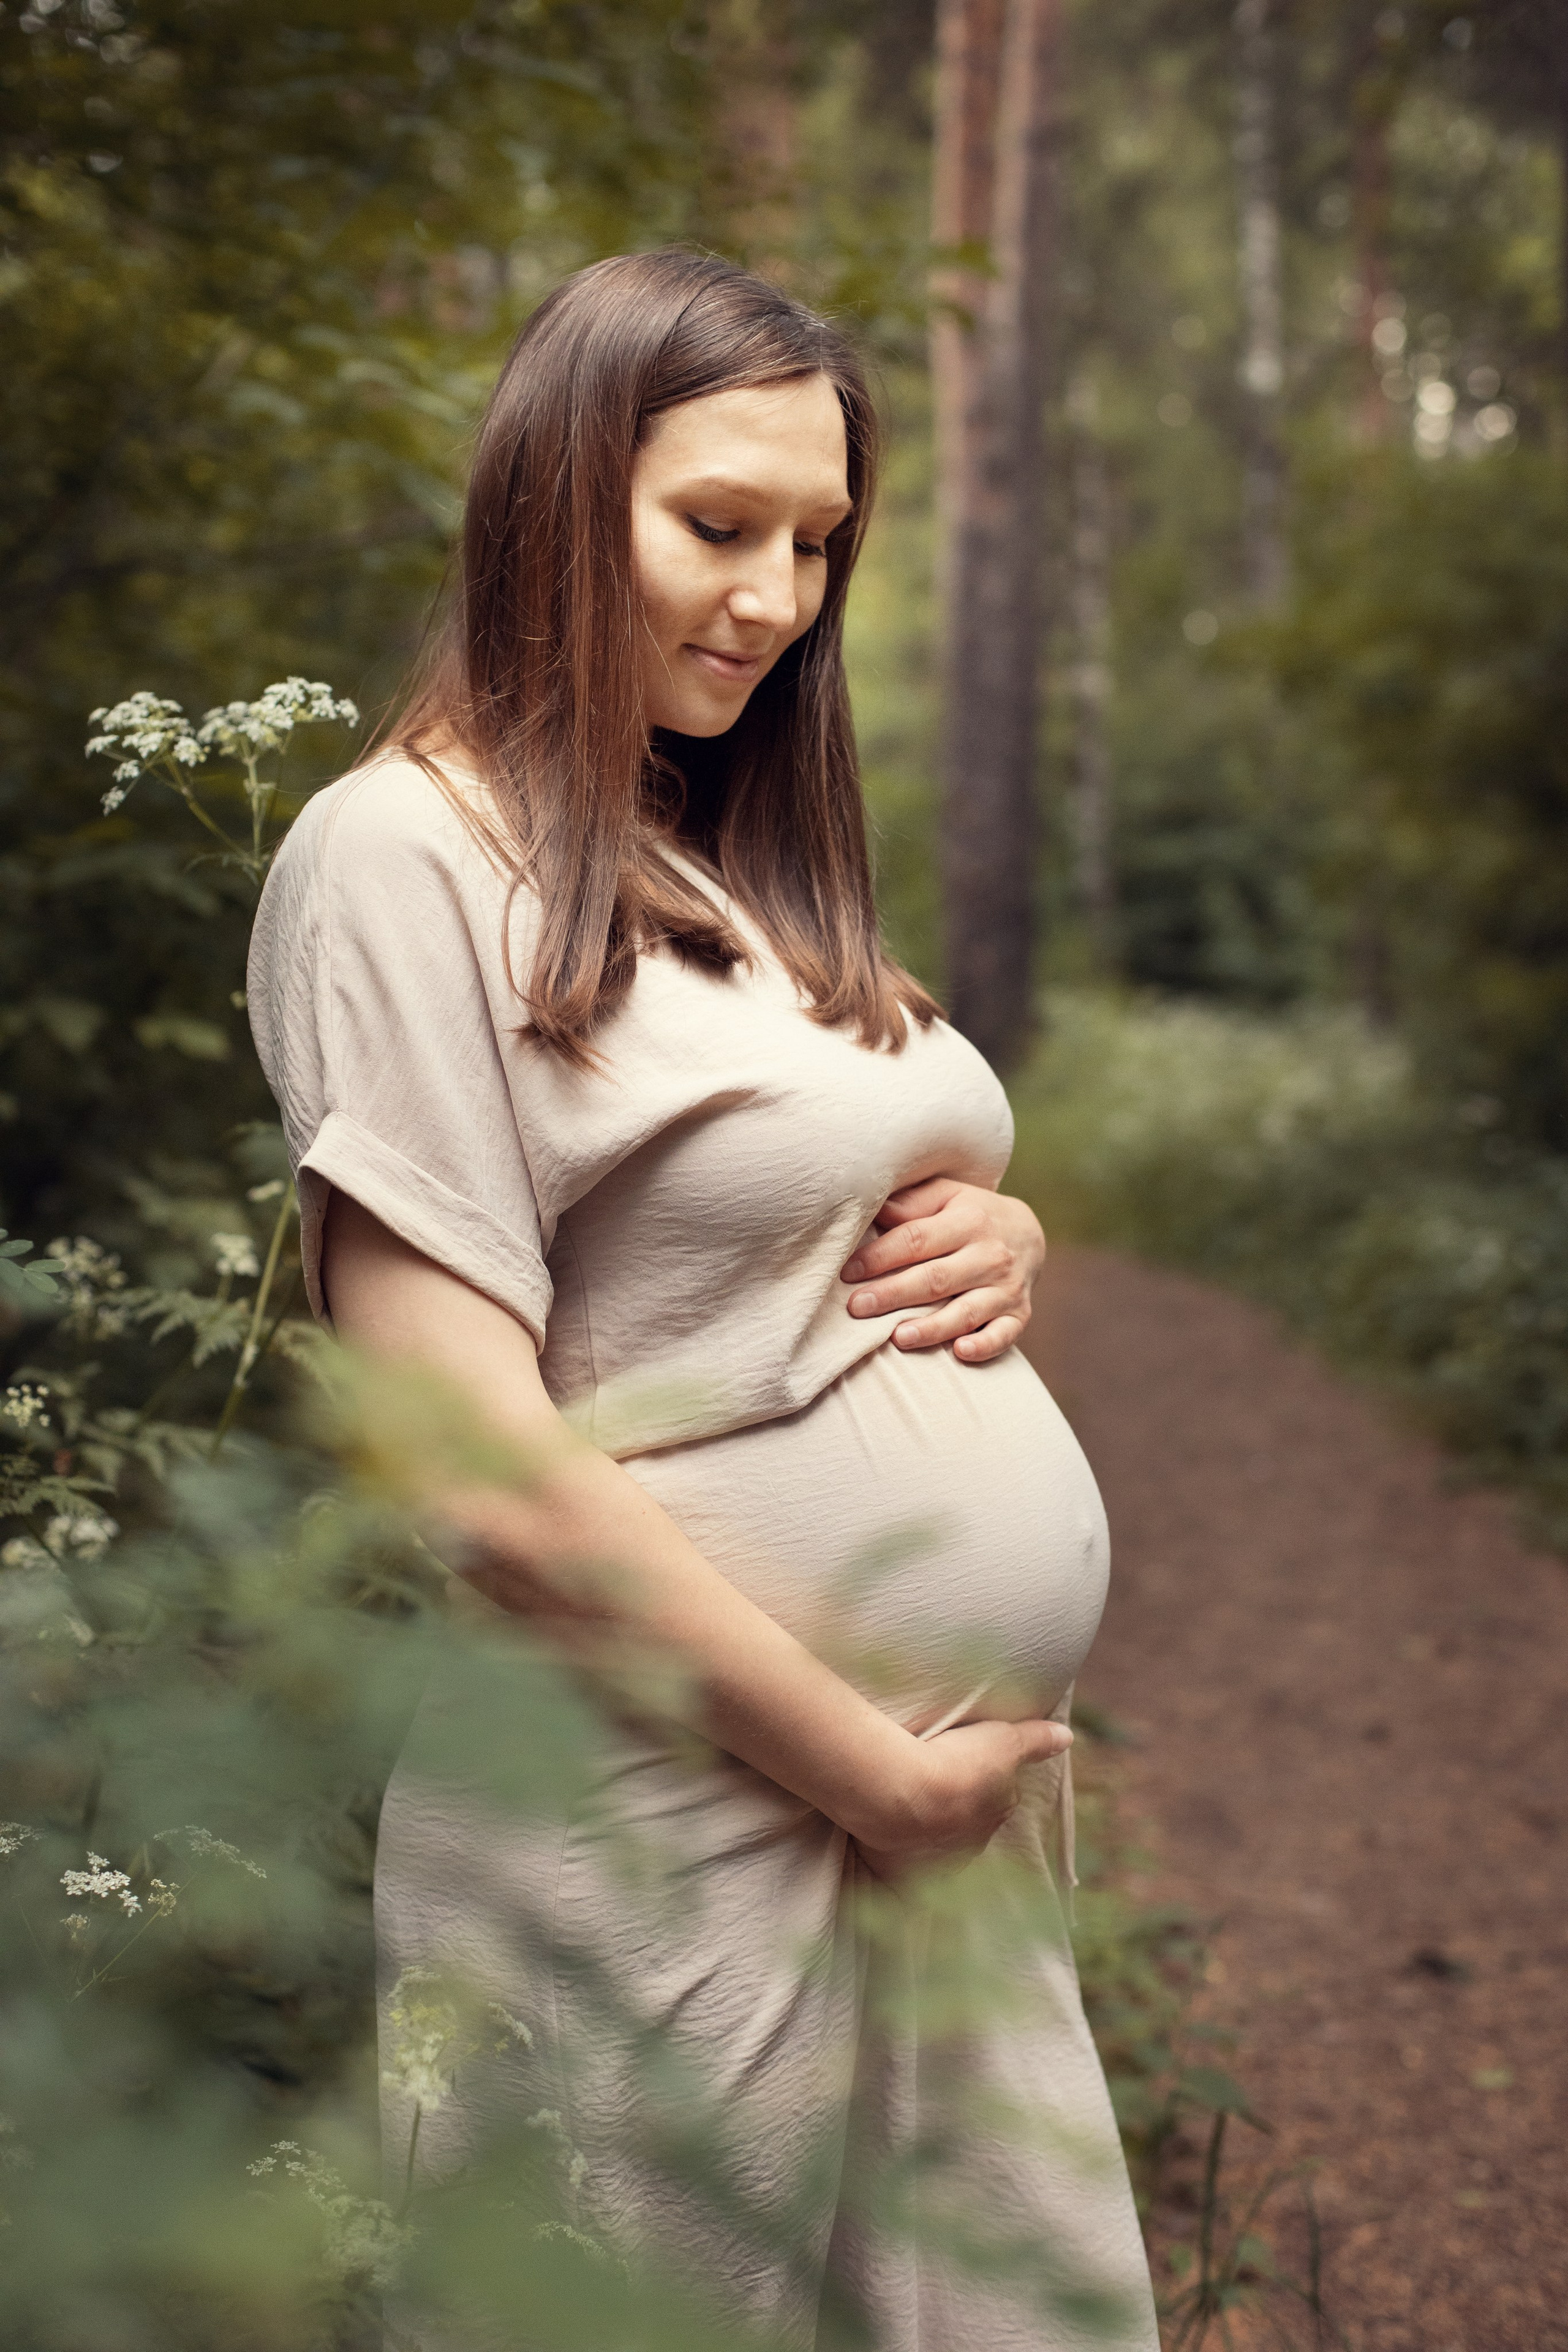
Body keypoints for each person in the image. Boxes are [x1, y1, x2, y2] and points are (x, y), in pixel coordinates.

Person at [249, 249, 1157, 2351]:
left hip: (915, 1826)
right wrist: (870, 1765)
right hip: (665, 1811)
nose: (772, 599)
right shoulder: (398, 857)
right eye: (717, 526)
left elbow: (771, 1221)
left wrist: (992, 1232)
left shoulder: (724, 852)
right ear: (558, 499)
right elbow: (465, 1463)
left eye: (819, 544)